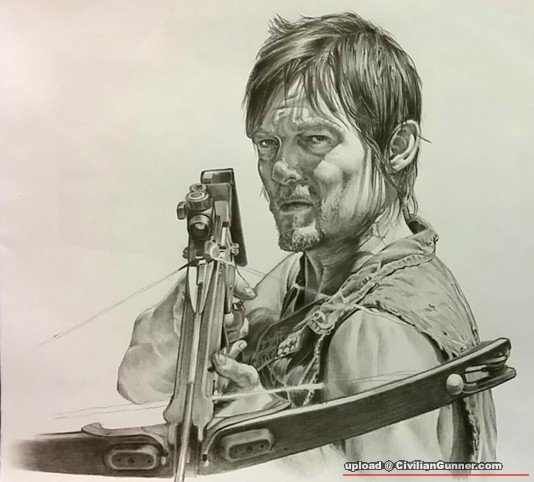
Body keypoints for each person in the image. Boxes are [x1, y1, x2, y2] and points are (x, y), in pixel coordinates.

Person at [117, 12, 496, 473]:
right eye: (268, 144)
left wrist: (262, 429)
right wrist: (186, 319)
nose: (281, 169)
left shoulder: (379, 333)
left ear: (397, 148)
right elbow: (135, 383)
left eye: (315, 139)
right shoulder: (311, 272)